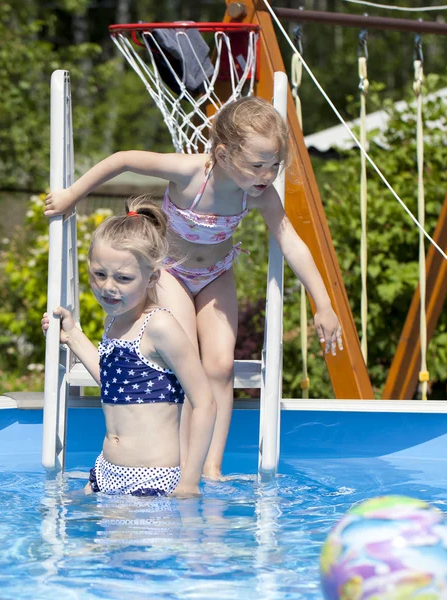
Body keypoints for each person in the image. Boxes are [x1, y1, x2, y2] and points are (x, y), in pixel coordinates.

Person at [44, 96, 344, 479]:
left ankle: (211, 466)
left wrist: (323, 303)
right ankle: (183, 463)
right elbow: (122, 159)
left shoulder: (260, 194)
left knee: (219, 366)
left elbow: (290, 241)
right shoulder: (189, 172)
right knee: (183, 364)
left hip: (217, 274)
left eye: (274, 165)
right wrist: (73, 194)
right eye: (257, 165)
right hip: (171, 273)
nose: (267, 175)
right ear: (222, 153)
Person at [42, 197, 216, 497]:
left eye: (123, 278)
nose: (108, 287)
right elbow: (113, 382)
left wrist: (190, 480)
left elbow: (204, 402)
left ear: (152, 277)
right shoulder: (116, 320)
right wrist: (72, 336)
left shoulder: (159, 326)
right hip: (105, 470)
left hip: (150, 476)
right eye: (99, 274)